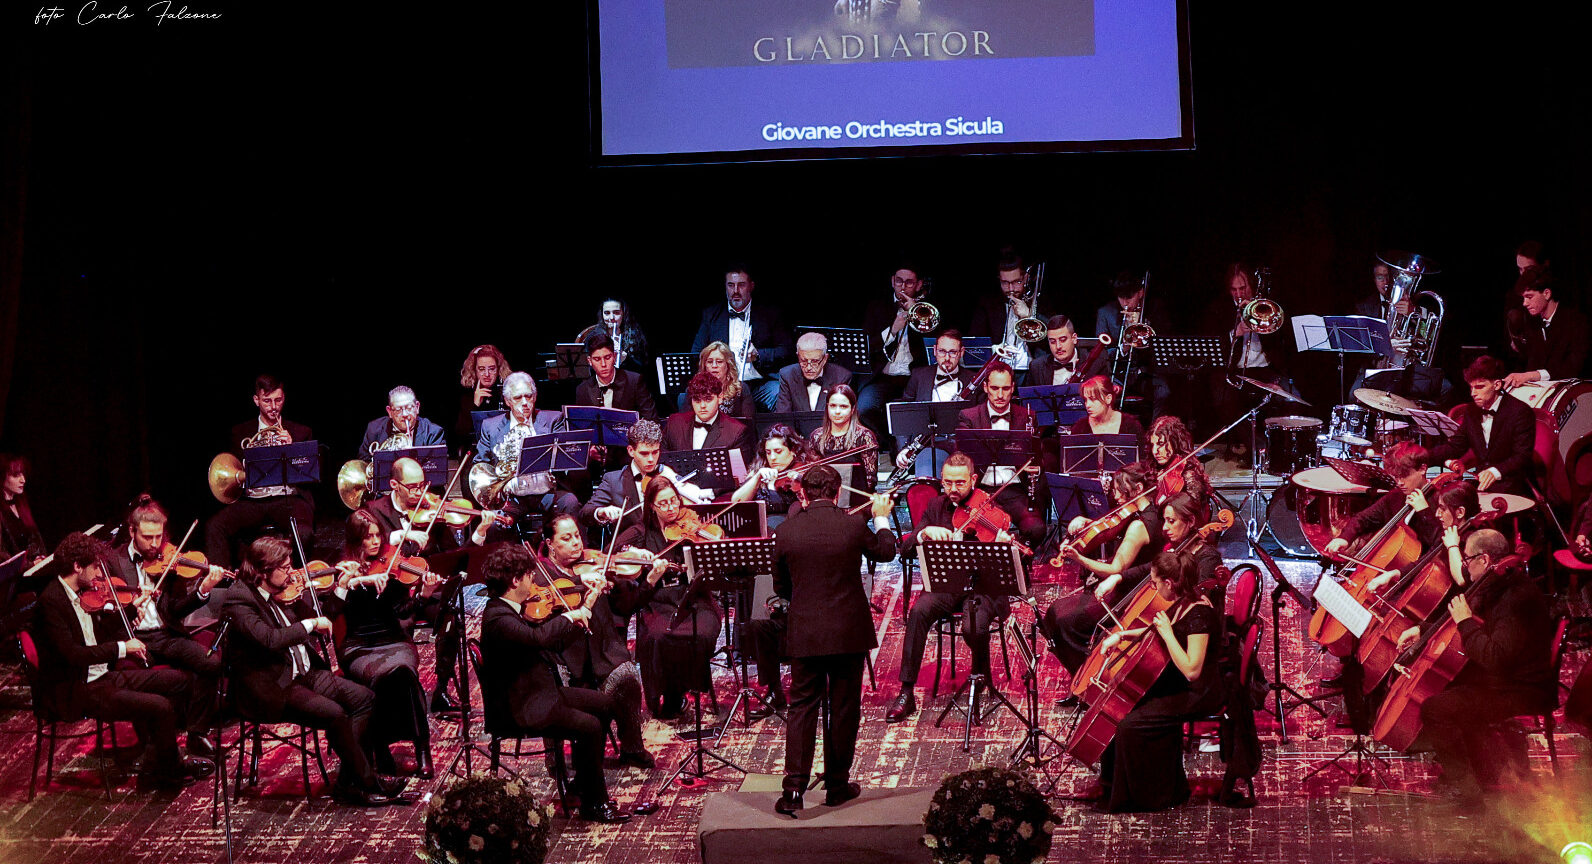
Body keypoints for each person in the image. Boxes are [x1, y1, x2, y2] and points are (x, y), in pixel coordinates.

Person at [218, 536, 404, 806]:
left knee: (365, 699)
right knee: (335, 714)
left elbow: (323, 616)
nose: (292, 573)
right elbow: (270, 639)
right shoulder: (239, 600)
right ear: (264, 571)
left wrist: (340, 586)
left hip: (303, 674)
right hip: (273, 686)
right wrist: (308, 624)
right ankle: (367, 781)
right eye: (285, 567)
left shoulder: (283, 591)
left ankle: (347, 781)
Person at [33, 532, 215, 791]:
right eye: (95, 566)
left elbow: (97, 635)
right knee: (160, 707)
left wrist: (131, 610)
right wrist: (122, 648)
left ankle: (157, 763)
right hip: (77, 688)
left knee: (178, 681)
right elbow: (74, 655)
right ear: (77, 567)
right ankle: (169, 770)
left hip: (100, 676)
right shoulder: (51, 603)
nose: (99, 573)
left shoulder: (83, 593)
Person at [477, 543, 632, 824]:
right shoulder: (498, 617)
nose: (534, 580)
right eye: (529, 575)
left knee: (605, 704)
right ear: (515, 581)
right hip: (523, 704)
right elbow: (538, 639)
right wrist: (568, 616)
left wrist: (586, 608)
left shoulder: (514, 609)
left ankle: (584, 781)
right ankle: (594, 803)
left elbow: (555, 641)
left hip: (540, 690)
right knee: (590, 726)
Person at [773, 465, 895, 815]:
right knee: (843, 708)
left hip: (806, 633)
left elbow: (782, 588)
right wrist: (882, 518)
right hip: (847, 632)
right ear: (838, 493)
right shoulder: (853, 525)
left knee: (801, 709)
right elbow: (886, 552)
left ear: (803, 494)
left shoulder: (786, 531)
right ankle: (838, 786)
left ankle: (793, 790)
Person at [1408, 528, 1556, 811]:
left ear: (1485, 559)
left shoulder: (1517, 598)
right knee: (1446, 687)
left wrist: (1464, 622)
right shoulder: (1499, 585)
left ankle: (1469, 794)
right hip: (1504, 678)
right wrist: (1423, 630)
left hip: (1522, 688)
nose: (1464, 566)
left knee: (1435, 709)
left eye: (1467, 559)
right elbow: (1478, 634)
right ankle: (1483, 770)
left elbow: (1494, 656)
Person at [884, 453, 1014, 724]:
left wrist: (1003, 544)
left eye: (960, 483)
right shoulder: (935, 506)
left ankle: (980, 680)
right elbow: (906, 550)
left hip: (982, 588)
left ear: (973, 480)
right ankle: (906, 692)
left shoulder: (990, 503)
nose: (953, 490)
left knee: (973, 626)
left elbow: (1013, 557)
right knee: (918, 612)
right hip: (947, 585)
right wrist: (924, 533)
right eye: (947, 483)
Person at [1091, 550, 1223, 812]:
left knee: (1130, 725)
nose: (1152, 587)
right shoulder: (1181, 600)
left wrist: (1167, 634)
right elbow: (1161, 630)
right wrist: (1122, 636)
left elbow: (1192, 670)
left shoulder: (1200, 614)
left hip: (1198, 691)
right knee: (1120, 709)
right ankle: (1110, 784)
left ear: (1169, 583)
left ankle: (1153, 797)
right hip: (1177, 681)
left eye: (1154, 582)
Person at [109, 496, 229, 759]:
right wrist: (129, 611)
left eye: (158, 537)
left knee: (210, 664)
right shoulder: (113, 561)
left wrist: (203, 590)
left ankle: (197, 734)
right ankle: (153, 744)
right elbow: (105, 610)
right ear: (132, 531)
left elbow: (176, 609)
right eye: (148, 537)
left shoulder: (170, 557)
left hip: (167, 635)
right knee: (141, 677)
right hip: (135, 638)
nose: (154, 545)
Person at [330, 510, 442, 778]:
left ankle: (421, 746)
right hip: (358, 646)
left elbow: (403, 611)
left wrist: (424, 596)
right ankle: (378, 746)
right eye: (368, 538)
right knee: (380, 678)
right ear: (356, 541)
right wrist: (352, 582)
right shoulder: (344, 569)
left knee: (404, 672)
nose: (376, 542)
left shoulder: (393, 565)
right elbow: (331, 610)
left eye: (377, 535)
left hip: (392, 639)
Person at [540, 514, 655, 768]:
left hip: (602, 652)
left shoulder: (595, 565)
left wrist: (649, 582)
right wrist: (579, 583)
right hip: (565, 657)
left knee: (628, 677)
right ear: (550, 543)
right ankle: (554, 754)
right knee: (556, 685)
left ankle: (632, 747)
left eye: (577, 536)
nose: (576, 544)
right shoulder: (542, 575)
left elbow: (625, 607)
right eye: (566, 538)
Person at [612, 476, 723, 719]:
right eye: (664, 503)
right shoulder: (639, 533)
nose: (672, 507)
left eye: (675, 500)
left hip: (695, 598)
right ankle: (670, 694)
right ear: (651, 506)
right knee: (659, 636)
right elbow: (616, 554)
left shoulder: (690, 526)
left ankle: (685, 686)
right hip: (659, 600)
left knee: (701, 633)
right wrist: (640, 561)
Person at [1044, 462, 1163, 676]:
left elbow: (1114, 569)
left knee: (1063, 621)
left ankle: (1087, 674)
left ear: (1137, 490)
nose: (1116, 497)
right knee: (1052, 614)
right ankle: (1081, 670)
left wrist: (1078, 558)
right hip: (1121, 585)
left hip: (1125, 592)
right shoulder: (1140, 511)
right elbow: (1112, 530)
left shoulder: (1140, 526)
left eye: (1121, 491)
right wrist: (1087, 523)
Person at [204, 374, 315, 569]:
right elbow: (233, 468)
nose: (273, 407)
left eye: (278, 400)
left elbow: (309, 473)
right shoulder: (240, 432)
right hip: (252, 501)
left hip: (287, 498)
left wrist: (292, 447)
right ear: (256, 400)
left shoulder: (300, 432)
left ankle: (296, 580)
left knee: (304, 533)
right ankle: (222, 583)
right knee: (215, 526)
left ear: (284, 398)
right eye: (267, 401)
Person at [1205, 264, 1293, 460]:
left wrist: (1260, 325)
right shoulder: (1221, 310)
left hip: (1266, 369)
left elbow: (1282, 344)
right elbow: (1216, 346)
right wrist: (1235, 333)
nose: (1238, 294)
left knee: (1290, 398)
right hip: (1235, 370)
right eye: (1234, 290)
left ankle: (1282, 451)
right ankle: (1258, 447)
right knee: (1222, 399)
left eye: (1243, 288)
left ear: (1251, 287)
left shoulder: (1266, 307)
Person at [474, 371, 581, 530]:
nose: (525, 402)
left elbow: (565, 457)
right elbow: (481, 464)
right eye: (518, 398)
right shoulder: (490, 427)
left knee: (570, 502)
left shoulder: (553, 420)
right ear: (508, 401)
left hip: (547, 493)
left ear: (535, 397)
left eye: (529, 396)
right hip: (512, 497)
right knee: (494, 525)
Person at [955, 361, 1044, 544]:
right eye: (995, 388)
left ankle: (1016, 561)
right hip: (980, 492)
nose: (1000, 395)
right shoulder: (969, 416)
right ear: (986, 387)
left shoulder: (1027, 416)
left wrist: (1035, 467)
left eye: (1005, 388)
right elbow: (960, 458)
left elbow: (1037, 457)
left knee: (1036, 529)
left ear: (1013, 388)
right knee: (968, 535)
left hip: (1014, 491)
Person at [582, 418, 708, 538]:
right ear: (631, 451)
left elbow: (696, 500)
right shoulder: (613, 480)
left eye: (655, 452)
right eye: (644, 453)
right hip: (633, 548)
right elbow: (585, 513)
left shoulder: (666, 474)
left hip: (669, 540)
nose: (651, 459)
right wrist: (601, 512)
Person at [690, 264, 792, 411]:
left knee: (777, 391)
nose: (735, 291)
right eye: (731, 285)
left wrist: (759, 355)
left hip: (758, 384)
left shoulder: (769, 314)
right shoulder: (711, 315)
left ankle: (776, 433)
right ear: (725, 287)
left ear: (751, 286)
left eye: (741, 285)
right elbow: (697, 352)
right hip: (721, 386)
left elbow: (786, 350)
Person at [1429, 356, 1535, 494]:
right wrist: (1420, 456)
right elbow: (1456, 447)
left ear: (1497, 385)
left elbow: (1522, 456)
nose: (1473, 393)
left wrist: (1494, 472)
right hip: (1480, 481)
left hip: (1512, 482)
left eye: (1479, 387)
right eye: (1471, 387)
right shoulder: (1471, 410)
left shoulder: (1520, 412)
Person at [858, 263, 940, 437]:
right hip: (883, 377)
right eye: (899, 281)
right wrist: (893, 329)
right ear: (892, 281)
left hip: (914, 377)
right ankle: (888, 441)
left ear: (919, 285)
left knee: (923, 413)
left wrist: (915, 315)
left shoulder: (928, 308)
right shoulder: (877, 307)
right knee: (864, 408)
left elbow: (936, 342)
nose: (902, 287)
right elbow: (867, 345)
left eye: (909, 283)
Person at [1324, 443, 1445, 559]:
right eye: (1396, 477)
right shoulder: (1396, 496)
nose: (1400, 482)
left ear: (1423, 469)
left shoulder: (1439, 500)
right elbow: (1363, 518)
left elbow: (1439, 544)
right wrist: (1344, 538)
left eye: (1404, 475)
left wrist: (1424, 512)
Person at [1095, 270, 1170, 419]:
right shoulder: (1105, 313)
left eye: (1129, 297)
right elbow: (1101, 353)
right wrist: (1124, 346)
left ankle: (1155, 433)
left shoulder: (1155, 310)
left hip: (1146, 373)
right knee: (1100, 391)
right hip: (1117, 374)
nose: (1124, 303)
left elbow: (1163, 348)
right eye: (1120, 298)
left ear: (1140, 293)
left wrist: (1143, 331)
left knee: (1163, 392)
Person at [1504, 265, 1589, 387]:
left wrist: (1531, 375)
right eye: (1523, 298)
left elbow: (1573, 367)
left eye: (1529, 297)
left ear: (1547, 293)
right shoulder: (1531, 324)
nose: (1524, 303)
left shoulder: (1576, 322)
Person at [969, 249, 1046, 380]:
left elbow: (1051, 337)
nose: (1011, 289)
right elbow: (975, 343)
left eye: (1017, 282)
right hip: (997, 372)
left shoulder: (1041, 302)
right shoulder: (987, 305)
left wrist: (1029, 316)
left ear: (1026, 278)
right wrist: (995, 349)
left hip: (1029, 372)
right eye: (1005, 283)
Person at [662, 371, 757, 471]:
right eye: (697, 400)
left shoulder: (736, 432)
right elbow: (661, 462)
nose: (702, 406)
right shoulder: (675, 423)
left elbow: (739, 476)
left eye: (708, 399)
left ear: (720, 397)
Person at [732, 424, 814, 531]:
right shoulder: (759, 471)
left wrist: (799, 478)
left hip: (793, 530)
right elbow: (736, 501)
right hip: (761, 530)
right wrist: (757, 478)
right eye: (768, 452)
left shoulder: (802, 472)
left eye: (778, 451)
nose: (773, 458)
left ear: (793, 450)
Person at [576, 332, 658, 418]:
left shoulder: (634, 381)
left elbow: (651, 420)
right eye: (597, 359)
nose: (603, 364)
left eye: (607, 358)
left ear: (614, 357)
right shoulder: (582, 390)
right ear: (589, 361)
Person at [809, 384, 879, 483]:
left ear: (852, 409)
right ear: (827, 407)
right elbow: (813, 476)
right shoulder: (817, 436)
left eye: (843, 406)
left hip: (857, 494)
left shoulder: (864, 436)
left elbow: (870, 479)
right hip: (825, 494)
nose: (837, 412)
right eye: (833, 406)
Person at [358, 385, 446, 460]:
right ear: (389, 411)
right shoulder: (374, 429)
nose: (404, 414)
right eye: (398, 410)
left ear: (417, 407)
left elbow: (436, 469)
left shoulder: (433, 433)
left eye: (409, 408)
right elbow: (365, 464)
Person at [775, 331, 852, 413]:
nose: (808, 367)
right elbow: (783, 416)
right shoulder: (787, 375)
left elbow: (841, 416)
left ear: (825, 358)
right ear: (798, 356)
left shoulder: (841, 377)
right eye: (803, 361)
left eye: (814, 361)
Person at [1148, 415, 1212, 514]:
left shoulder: (1189, 474)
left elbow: (1194, 512)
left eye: (1160, 444)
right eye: (1152, 445)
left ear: (1175, 443)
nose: (1155, 451)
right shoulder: (1155, 468)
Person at [454, 344, 510, 455]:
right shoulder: (466, 395)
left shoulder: (507, 392)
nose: (487, 374)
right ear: (474, 370)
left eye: (492, 369)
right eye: (481, 369)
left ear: (499, 369)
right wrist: (474, 405)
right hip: (475, 453)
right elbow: (459, 435)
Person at [576, 297, 651, 377]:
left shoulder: (634, 335)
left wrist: (625, 358)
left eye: (616, 313)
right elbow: (586, 370)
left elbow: (644, 369)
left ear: (623, 314)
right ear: (602, 315)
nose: (611, 318)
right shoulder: (594, 336)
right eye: (607, 313)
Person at [1030, 315, 1108, 387]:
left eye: (1063, 340)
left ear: (1074, 339)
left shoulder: (1097, 365)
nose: (1058, 346)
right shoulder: (1036, 367)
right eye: (1053, 341)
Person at [900, 330, 974, 403]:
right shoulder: (918, 375)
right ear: (935, 350)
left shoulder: (972, 379)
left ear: (961, 352)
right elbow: (905, 407)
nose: (947, 358)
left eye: (953, 352)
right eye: (942, 351)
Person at [1, 452, 46, 566]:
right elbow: (3, 556)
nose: (23, 480)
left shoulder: (22, 503)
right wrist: (30, 564)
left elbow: (35, 539)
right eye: (16, 475)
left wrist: (41, 557)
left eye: (23, 474)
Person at [1069, 375, 1145, 439]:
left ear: (1108, 398)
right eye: (1085, 400)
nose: (1088, 405)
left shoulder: (1131, 425)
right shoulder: (1080, 428)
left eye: (1093, 399)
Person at [694, 341, 755, 419]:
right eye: (709, 362)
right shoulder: (694, 389)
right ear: (704, 365)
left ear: (728, 365)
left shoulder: (741, 389)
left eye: (719, 362)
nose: (714, 365)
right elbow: (685, 424)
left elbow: (749, 423)